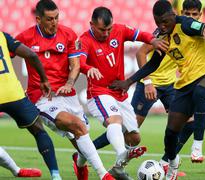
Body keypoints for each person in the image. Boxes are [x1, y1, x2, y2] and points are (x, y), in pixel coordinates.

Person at [110, 1, 205, 179]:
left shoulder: (186, 24)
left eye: (165, 21)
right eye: (157, 22)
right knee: (170, 134)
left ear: (173, 14)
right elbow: (153, 64)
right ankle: (172, 161)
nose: (161, 26)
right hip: (184, 85)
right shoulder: (163, 36)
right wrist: (128, 81)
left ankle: (197, 146)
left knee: (200, 92)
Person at [15, 1, 114, 180]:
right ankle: (104, 175)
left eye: (57, 18)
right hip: (43, 98)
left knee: (81, 138)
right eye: (49, 19)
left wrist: (69, 83)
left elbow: (75, 64)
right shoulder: (26, 37)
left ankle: (80, 166)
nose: (54, 22)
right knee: (78, 126)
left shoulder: (68, 34)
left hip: (68, 95)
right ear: (38, 19)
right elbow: (6, 55)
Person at [77, 6, 168, 180]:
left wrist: (153, 40)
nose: (106, 33)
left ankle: (102, 164)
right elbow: (79, 62)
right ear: (92, 24)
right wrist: (88, 68)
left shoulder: (119, 30)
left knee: (134, 138)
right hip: (98, 92)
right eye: (102, 30)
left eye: (109, 29)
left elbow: (141, 35)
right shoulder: (85, 40)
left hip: (119, 93)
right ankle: (121, 153)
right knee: (115, 120)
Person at [131, 0, 205, 171]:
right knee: (130, 131)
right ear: (179, 13)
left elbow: (198, 66)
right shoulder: (164, 29)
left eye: (194, 15)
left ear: (200, 16)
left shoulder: (193, 33)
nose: (190, 18)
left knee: (189, 122)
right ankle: (90, 155)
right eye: (187, 14)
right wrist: (148, 81)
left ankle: (168, 162)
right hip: (150, 84)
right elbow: (141, 53)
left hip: (170, 84)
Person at [0, 30, 59, 180]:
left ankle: (16, 170)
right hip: (13, 94)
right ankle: (55, 175)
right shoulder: (1, 35)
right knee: (39, 130)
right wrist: (44, 79)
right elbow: (32, 55)